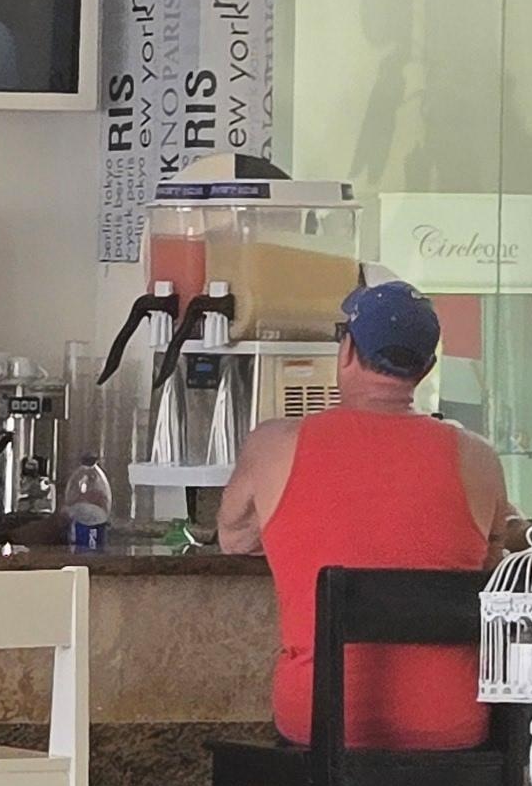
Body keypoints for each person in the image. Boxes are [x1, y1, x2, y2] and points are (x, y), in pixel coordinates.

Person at [219, 279, 512, 751]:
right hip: (451, 720)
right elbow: (488, 563)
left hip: (320, 717)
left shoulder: (274, 445)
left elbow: (233, 539)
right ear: (427, 368)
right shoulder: (479, 459)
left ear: (347, 351)